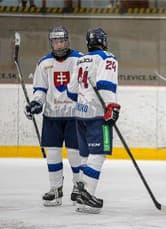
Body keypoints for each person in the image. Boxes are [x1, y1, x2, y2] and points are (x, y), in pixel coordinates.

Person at [24, 26, 82, 206]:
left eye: (62, 40)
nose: (59, 44)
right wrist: (36, 103)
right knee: (53, 153)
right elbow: (40, 89)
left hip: (74, 115)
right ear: (51, 43)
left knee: (75, 153)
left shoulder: (79, 59)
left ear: (67, 40)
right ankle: (56, 189)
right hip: (52, 115)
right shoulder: (44, 63)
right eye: (56, 41)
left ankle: (79, 187)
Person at [67, 28, 120, 214]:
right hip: (99, 114)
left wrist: (84, 102)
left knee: (85, 156)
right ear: (103, 41)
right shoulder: (107, 57)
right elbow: (106, 84)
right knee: (98, 154)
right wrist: (111, 106)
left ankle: (82, 195)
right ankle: (88, 194)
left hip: (80, 114)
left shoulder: (81, 59)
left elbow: (71, 91)